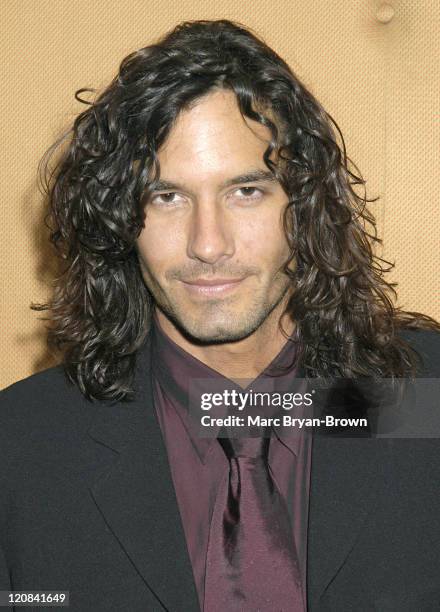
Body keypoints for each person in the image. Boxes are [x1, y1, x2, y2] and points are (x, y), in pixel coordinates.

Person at [1, 19, 439, 612]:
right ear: (119, 219)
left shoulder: (425, 399)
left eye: (246, 191)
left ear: (305, 203)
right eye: (167, 197)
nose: (208, 245)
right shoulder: (21, 446)